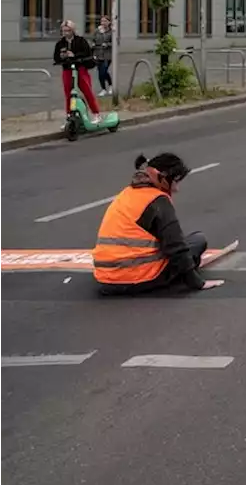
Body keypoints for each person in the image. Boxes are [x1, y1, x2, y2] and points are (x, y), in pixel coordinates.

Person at [92, 153, 223, 295]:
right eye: (176, 181)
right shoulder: (157, 201)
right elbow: (176, 247)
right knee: (198, 240)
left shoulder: (127, 194)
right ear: (164, 179)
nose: (177, 188)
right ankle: (182, 273)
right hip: (137, 279)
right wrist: (197, 282)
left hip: (105, 279)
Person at [53, 20, 101, 123]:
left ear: (73, 30)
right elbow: (56, 57)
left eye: (68, 31)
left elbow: (87, 53)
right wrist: (62, 57)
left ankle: (96, 114)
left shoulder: (80, 41)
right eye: (64, 31)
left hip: (80, 68)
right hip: (67, 69)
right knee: (68, 94)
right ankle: (69, 116)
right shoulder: (60, 43)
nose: (66, 33)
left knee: (87, 91)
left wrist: (74, 55)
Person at [92, 15, 113, 96]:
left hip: (107, 55)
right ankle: (103, 89)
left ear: (109, 22)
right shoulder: (97, 31)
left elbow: (114, 42)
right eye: (102, 21)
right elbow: (93, 39)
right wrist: (93, 44)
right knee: (101, 73)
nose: (103, 23)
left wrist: (107, 44)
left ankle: (110, 86)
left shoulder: (111, 32)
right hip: (98, 54)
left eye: (105, 21)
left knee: (103, 71)